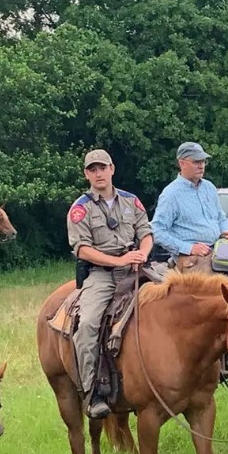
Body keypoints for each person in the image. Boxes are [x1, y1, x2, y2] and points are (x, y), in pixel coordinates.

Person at [67, 149, 153, 419]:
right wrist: (118, 261)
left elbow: (146, 233)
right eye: (92, 169)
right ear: (86, 174)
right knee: (88, 324)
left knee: (180, 295)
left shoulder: (131, 201)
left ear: (112, 169)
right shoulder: (80, 209)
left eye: (102, 167)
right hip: (103, 274)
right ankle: (92, 393)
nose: (98, 173)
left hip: (137, 267)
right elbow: (82, 249)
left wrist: (143, 254)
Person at [152, 141, 228, 259]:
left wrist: (227, 231)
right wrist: (188, 248)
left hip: (218, 250)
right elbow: (157, 232)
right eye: (196, 161)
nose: (201, 165)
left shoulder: (209, 187)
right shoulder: (170, 194)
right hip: (191, 258)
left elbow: (220, 218)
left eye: (203, 161)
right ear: (182, 163)